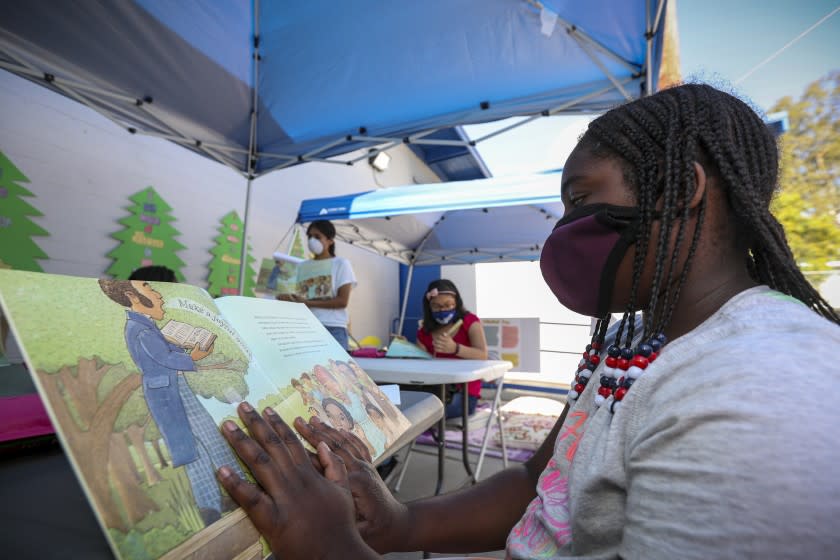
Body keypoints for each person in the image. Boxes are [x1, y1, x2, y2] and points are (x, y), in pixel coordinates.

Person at [215, 83, 840, 559]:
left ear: (682, 190)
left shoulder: (760, 388)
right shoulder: (630, 342)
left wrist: (334, 549)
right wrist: (397, 522)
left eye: (581, 199)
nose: (563, 230)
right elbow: (536, 487)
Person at [98, 274, 244, 527]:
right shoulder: (138, 327)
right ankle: (214, 503)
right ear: (133, 296)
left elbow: (164, 354)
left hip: (173, 389)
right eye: (146, 286)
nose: (156, 294)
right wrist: (194, 356)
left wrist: (186, 348)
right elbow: (162, 359)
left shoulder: (145, 324)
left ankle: (223, 497)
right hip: (168, 394)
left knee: (204, 440)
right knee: (198, 446)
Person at [278, 220, 356, 350]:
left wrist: (307, 303)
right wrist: (287, 298)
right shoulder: (302, 266)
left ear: (330, 240)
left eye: (317, 237)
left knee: (334, 369)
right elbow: (299, 297)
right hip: (306, 327)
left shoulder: (341, 263)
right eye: (310, 236)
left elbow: (342, 301)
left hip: (333, 328)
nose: (312, 241)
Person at [416, 279, 489, 418]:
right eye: (436, 306)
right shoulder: (424, 330)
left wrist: (455, 348)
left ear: (457, 303)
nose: (442, 310)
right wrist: (408, 350)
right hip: (433, 387)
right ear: (429, 307)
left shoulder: (470, 321)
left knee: (424, 415)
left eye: (448, 305)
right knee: (407, 408)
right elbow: (422, 362)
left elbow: (483, 355)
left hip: (464, 392)